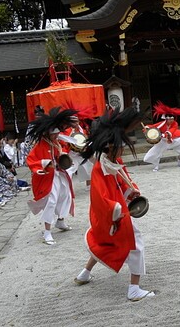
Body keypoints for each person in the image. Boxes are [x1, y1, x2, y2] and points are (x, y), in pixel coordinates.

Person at [74, 107, 155, 301]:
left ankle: (84, 273)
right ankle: (134, 289)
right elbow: (100, 198)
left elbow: (122, 182)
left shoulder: (112, 161)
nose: (124, 148)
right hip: (113, 215)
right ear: (110, 146)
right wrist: (117, 211)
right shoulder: (99, 168)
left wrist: (130, 191)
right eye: (121, 145)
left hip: (115, 212)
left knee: (103, 243)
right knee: (135, 244)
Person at [26, 107, 78, 245]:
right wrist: (44, 163)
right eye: (54, 134)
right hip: (48, 177)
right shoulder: (40, 145)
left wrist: (64, 156)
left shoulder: (57, 142)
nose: (56, 136)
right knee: (52, 201)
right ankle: (47, 232)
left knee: (65, 196)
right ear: (47, 133)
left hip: (59, 174)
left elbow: (63, 151)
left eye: (57, 134)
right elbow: (31, 160)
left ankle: (60, 221)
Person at [142, 102, 180, 172]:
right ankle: (156, 165)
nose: (171, 120)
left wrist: (163, 135)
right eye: (169, 119)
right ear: (166, 119)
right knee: (155, 153)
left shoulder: (175, 124)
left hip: (173, 139)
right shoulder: (162, 124)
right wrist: (147, 128)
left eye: (172, 119)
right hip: (162, 141)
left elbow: (172, 130)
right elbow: (153, 127)